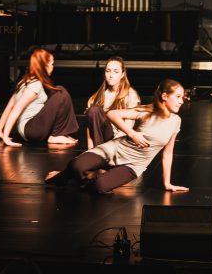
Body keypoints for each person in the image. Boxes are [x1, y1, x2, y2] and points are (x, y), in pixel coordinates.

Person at [45, 79, 189, 194]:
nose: (181, 101)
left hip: (133, 165)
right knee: (76, 165)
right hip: (115, 149)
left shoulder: (176, 121)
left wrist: (167, 184)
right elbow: (112, 114)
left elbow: (168, 153)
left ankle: (88, 179)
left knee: (100, 186)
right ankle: (62, 177)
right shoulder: (147, 112)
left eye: (182, 97)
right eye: (177, 97)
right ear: (164, 96)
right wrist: (132, 134)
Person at [0, 48, 79, 146]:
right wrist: (6, 137)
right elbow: (16, 108)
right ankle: (57, 135)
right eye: (51, 64)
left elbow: (9, 106)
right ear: (44, 65)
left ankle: (59, 134)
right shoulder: (35, 85)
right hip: (31, 130)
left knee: (57, 91)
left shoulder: (24, 81)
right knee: (61, 92)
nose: (53, 67)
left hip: (28, 129)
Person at [83, 56, 141, 149]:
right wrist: (89, 150)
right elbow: (90, 128)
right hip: (101, 139)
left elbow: (128, 125)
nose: (111, 75)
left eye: (116, 72)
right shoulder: (97, 97)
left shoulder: (131, 94)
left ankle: (101, 151)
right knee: (94, 110)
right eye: (108, 71)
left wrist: (112, 146)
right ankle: (98, 152)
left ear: (122, 74)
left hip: (120, 139)